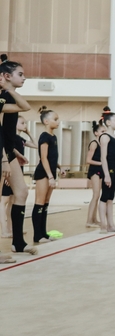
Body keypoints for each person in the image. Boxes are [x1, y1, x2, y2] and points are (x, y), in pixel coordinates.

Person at [0, 55, 37, 256]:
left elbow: (25, 108)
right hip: (2, 154)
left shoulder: (8, 96)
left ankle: (18, 242)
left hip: (7, 151)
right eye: (20, 74)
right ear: (6, 75)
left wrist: (14, 152)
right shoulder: (2, 98)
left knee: (21, 192)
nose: (24, 78)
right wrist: (5, 158)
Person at [32, 106, 63, 243]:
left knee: (45, 203)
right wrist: (50, 176)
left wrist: (59, 167)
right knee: (39, 202)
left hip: (51, 171)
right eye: (55, 119)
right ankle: (37, 236)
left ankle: (43, 233)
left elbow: (52, 157)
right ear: (46, 121)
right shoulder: (44, 136)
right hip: (43, 173)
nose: (58, 121)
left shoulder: (53, 136)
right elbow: (43, 158)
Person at [1, 116, 36, 238]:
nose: (25, 125)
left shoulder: (20, 139)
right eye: (22, 123)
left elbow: (36, 145)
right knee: (4, 201)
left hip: (16, 171)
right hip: (8, 171)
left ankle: (11, 228)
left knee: (12, 200)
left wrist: (29, 132)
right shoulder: (9, 137)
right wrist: (7, 175)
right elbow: (7, 150)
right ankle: (4, 230)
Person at [98, 107, 115, 233]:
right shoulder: (105, 137)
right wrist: (106, 175)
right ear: (108, 123)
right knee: (104, 197)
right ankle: (103, 224)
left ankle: (111, 224)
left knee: (111, 198)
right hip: (108, 171)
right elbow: (103, 158)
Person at [85, 120, 106, 228]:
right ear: (96, 133)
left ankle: (94, 219)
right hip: (94, 170)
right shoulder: (94, 143)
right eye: (102, 131)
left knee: (98, 196)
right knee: (96, 195)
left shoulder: (102, 144)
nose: (104, 133)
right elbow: (88, 160)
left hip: (101, 170)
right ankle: (89, 220)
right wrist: (101, 163)